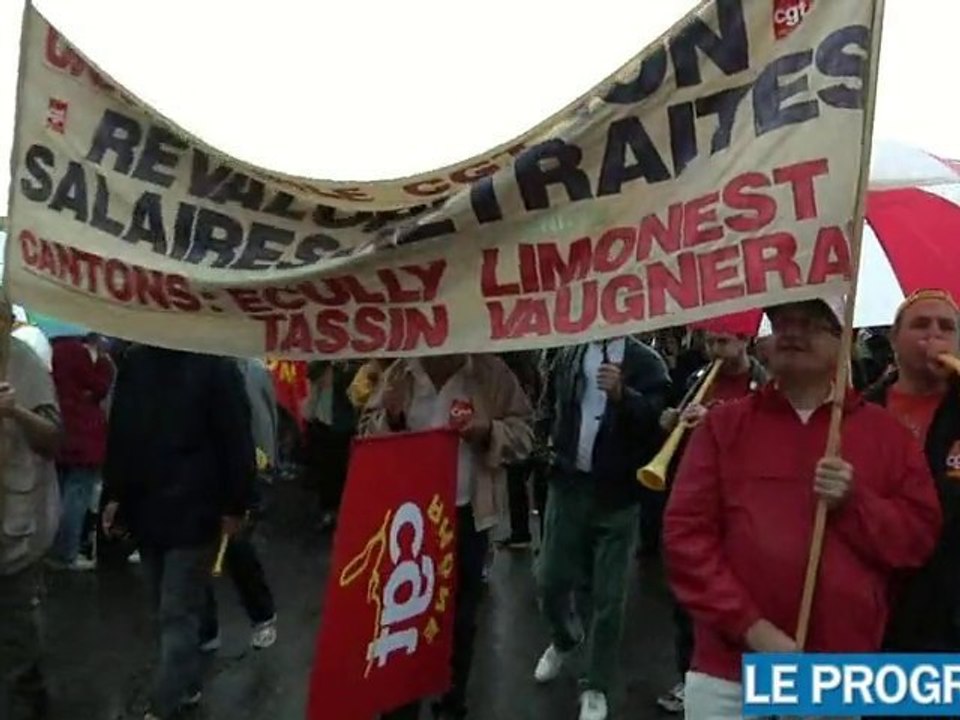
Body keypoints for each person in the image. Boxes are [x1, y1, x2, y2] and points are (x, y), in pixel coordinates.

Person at [662, 298, 942, 719]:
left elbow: (916, 543)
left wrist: (855, 503)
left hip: (835, 673)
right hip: (729, 672)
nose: (792, 332)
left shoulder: (888, 437)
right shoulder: (723, 427)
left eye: (812, 323)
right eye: (781, 322)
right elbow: (686, 539)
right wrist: (752, 629)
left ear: (843, 340)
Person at [361, 353, 533, 720]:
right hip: (408, 519)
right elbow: (365, 435)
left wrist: (487, 431)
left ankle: (452, 702)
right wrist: (390, 419)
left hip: (466, 516)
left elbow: (525, 435)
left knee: (459, 618)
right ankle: (401, 703)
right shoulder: (400, 373)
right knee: (404, 616)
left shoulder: (490, 374)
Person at [101, 345, 256, 720]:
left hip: (187, 509)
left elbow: (236, 439)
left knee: (174, 610)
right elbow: (121, 433)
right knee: (169, 606)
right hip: (159, 508)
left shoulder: (209, 366)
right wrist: (114, 494)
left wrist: (236, 504)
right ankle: (187, 682)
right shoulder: (143, 364)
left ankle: (164, 704)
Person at [533, 336, 671, 720]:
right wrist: (546, 448)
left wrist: (623, 396)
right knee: (550, 580)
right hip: (568, 486)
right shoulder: (569, 353)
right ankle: (564, 639)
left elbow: (658, 423)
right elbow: (551, 404)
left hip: (618, 496)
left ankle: (596, 684)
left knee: (609, 598)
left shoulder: (647, 363)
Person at [653, 330, 767, 715]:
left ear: (744, 341)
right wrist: (671, 420)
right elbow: (674, 420)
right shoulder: (698, 379)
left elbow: (766, 440)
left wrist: (716, 422)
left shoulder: (765, 385)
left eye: (724, 342)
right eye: (711, 343)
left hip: (742, 505)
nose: (716, 351)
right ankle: (688, 675)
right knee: (688, 598)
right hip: (700, 499)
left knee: (736, 595)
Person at [865, 291, 960, 667]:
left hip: (949, 611)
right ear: (893, 340)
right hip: (877, 606)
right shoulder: (861, 412)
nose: (933, 336)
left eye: (946, 327)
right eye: (920, 325)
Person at [0, 332, 63, 720]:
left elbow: (54, 440)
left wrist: (15, 411)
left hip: (14, 530)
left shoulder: (23, 362)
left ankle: (30, 701)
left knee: (18, 638)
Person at [200, 357, 279, 652]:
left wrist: (268, 460)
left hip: (245, 468)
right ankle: (206, 628)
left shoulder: (252, 369)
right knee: (196, 553)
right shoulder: (195, 365)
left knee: (238, 549)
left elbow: (266, 414)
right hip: (203, 474)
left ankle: (263, 616)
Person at [48, 334, 114, 571]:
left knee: (57, 494)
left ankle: (51, 548)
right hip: (85, 434)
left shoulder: (53, 350)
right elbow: (100, 387)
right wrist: (105, 363)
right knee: (77, 497)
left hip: (59, 427)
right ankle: (67, 552)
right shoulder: (83, 354)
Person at [302, 361, 357, 530]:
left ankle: (341, 512)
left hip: (342, 428)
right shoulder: (317, 366)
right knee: (325, 473)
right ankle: (328, 511)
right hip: (321, 424)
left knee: (341, 472)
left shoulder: (350, 369)